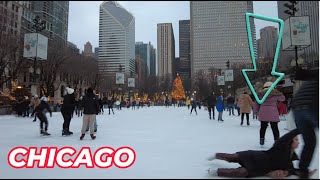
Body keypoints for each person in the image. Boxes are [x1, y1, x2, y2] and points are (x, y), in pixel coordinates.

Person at [207, 129, 317, 178]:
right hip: (254, 157)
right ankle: (216, 155)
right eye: (296, 139)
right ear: (290, 141)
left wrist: (306, 173)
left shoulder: (291, 159)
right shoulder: (280, 146)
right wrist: (300, 129)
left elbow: (292, 171)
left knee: (240, 172)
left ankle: (215, 172)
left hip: (259, 169)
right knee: (232, 157)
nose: (298, 142)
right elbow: (285, 138)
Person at [290, 80, 319, 179]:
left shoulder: (309, 81)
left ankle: (303, 172)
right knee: (310, 141)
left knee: (309, 142)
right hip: (313, 106)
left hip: (297, 110)